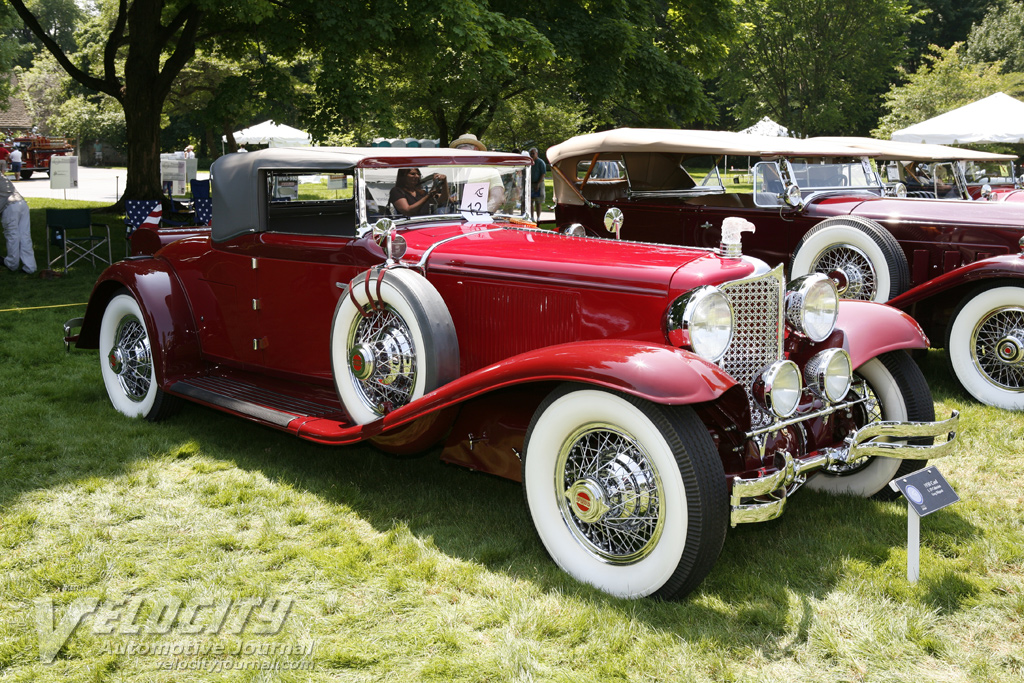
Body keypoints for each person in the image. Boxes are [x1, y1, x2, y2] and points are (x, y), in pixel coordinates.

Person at [1, 175, 37, 274]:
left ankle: (12, 263)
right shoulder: (2, 176)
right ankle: (30, 266)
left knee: (12, 235)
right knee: (24, 235)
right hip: (21, 203)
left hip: (10, 207)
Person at [529, 147, 546, 217]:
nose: (532, 155)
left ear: (536, 154)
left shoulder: (540, 162)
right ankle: (532, 217)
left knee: (538, 202)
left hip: (538, 183)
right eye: (531, 154)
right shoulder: (529, 162)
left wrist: (538, 184)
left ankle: (538, 217)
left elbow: (543, 174)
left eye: (533, 153)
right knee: (530, 202)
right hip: (531, 184)